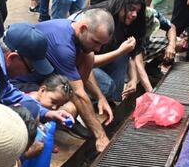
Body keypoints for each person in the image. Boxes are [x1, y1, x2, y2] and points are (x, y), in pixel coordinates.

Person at [14, 9, 115, 153]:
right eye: (96, 42)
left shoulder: (74, 31)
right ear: (83, 28)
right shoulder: (63, 46)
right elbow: (79, 93)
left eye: (102, 45)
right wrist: (101, 136)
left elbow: (78, 76)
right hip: (22, 82)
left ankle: (64, 119)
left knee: (89, 56)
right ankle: (37, 136)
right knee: (56, 104)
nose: (99, 48)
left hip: (45, 76)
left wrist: (100, 97)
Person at [84, 0, 146, 103]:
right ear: (120, 5)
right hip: (81, 64)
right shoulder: (101, 18)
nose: (134, 15)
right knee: (108, 86)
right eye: (131, 10)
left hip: (101, 59)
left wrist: (133, 78)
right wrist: (119, 52)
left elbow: (130, 53)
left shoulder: (126, 22)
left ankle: (115, 100)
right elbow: (85, 60)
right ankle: (99, 100)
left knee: (122, 56)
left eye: (137, 11)